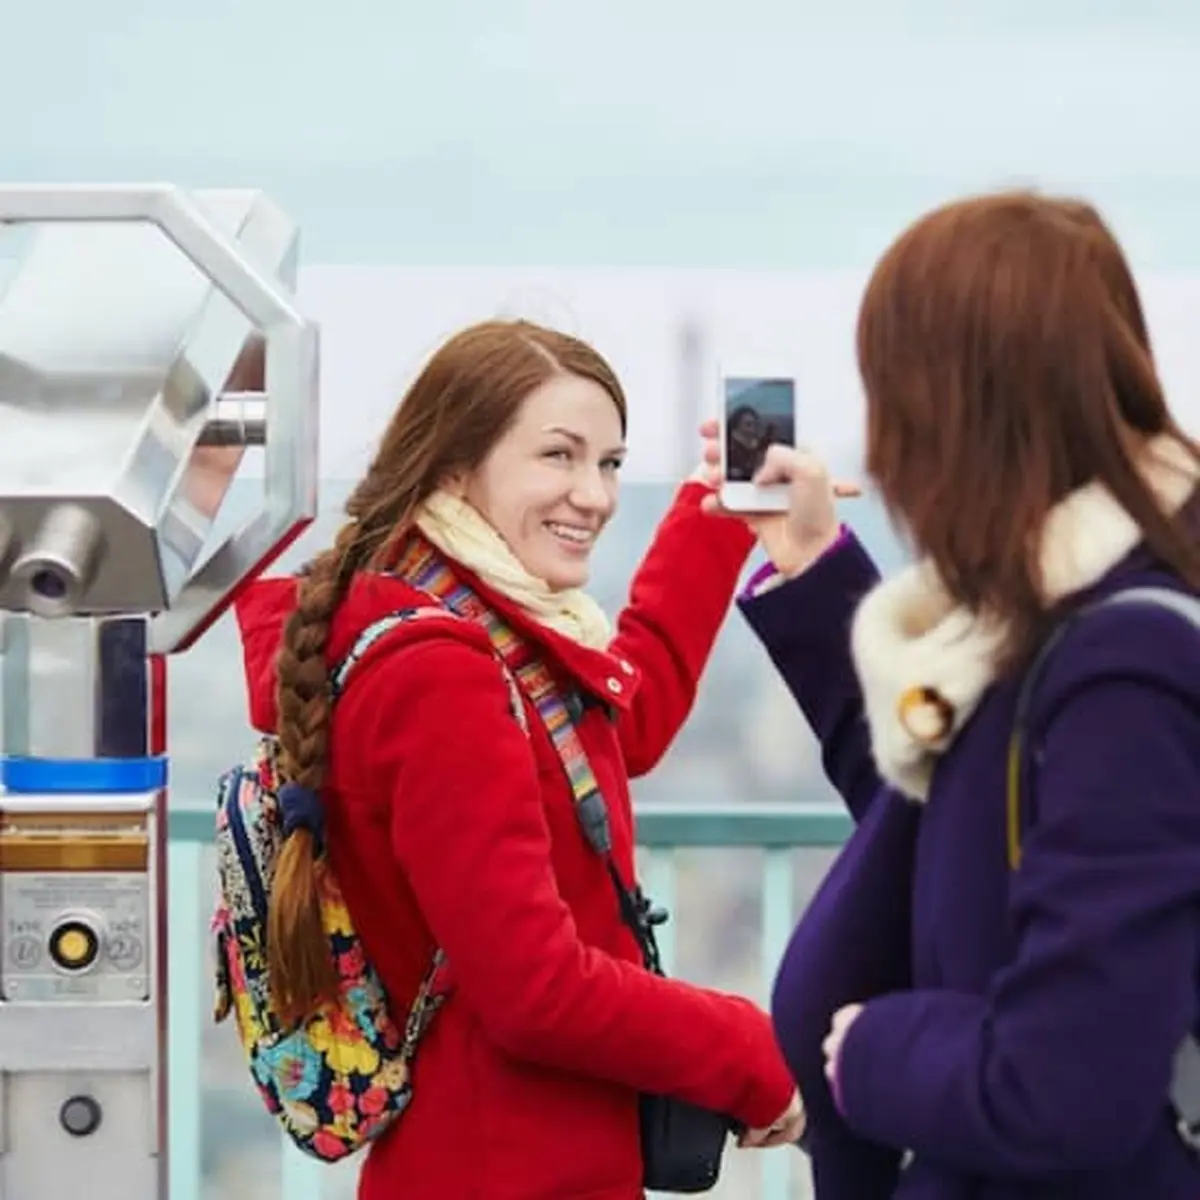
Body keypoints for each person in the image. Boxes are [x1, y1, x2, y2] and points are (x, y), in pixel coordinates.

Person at [232, 318, 803, 1200]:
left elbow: (617, 724)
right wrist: (755, 1054)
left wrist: (714, 514)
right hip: (508, 1168)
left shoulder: (460, 621)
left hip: (496, 1159)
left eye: (610, 463)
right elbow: (534, 988)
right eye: (559, 456)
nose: (596, 494)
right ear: (455, 466)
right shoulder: (442, 673)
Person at [701, 191, 1200, 1198]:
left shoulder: (1125, 669)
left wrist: (875, 1049)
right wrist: (806, 564)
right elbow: (935, 819)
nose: (881, 446)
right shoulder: (1050, 623)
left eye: (890, 395)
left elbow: (1067, 1084)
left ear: (956, 409)